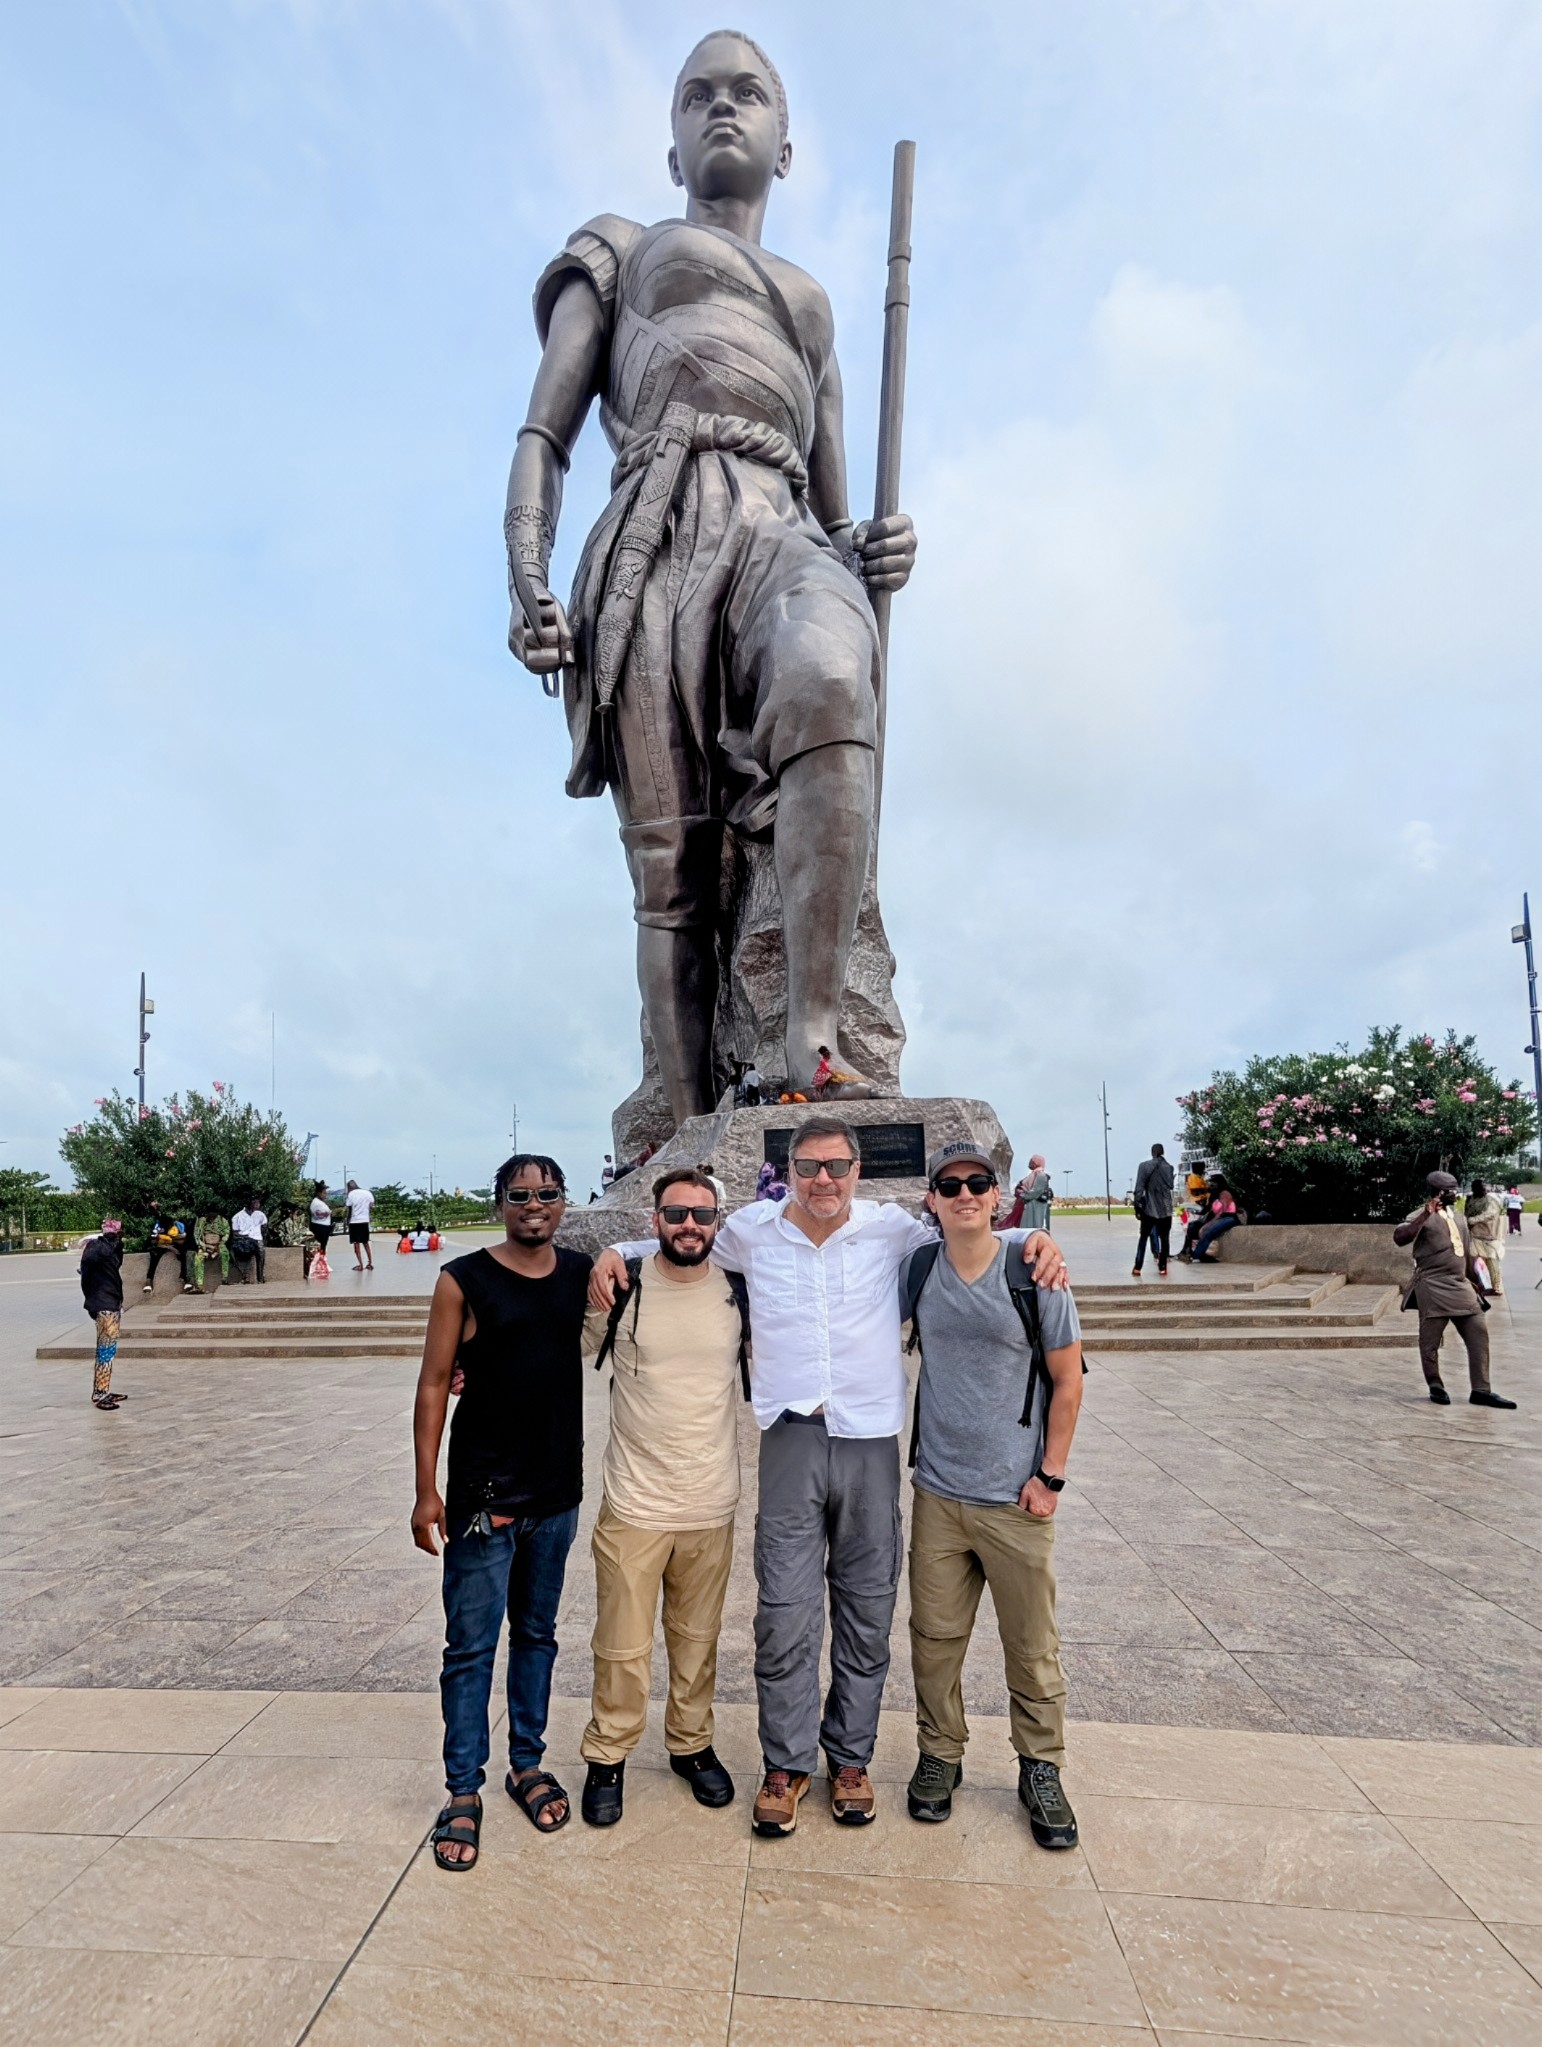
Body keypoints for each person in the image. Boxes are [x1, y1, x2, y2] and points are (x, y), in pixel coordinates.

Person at [506, 32, 917, 1121]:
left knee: (834, 677)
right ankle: (686, 1129)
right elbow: (543, 434)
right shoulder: (622, 251)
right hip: (655, 534)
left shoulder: (814, 307)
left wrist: (874, 545)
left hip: (780, 530)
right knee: (672, 869)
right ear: (673, 140)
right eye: (698, 97)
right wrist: (527, 578)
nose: (722, 109)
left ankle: (814, 1038)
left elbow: (836, 511)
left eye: (748, 95)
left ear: (787, 146)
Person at [590, 1114, 1067, 1837]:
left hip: (872, 1442)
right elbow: (682, 1233)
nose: (823, 1180)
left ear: (857, 1171)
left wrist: (1030, 1238)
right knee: (784, 1612)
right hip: (792, 1441)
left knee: (867, 1610)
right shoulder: (752, 1231)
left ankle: (849, 1756)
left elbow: (967, 1232)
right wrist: (614, 1250)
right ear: (788, 1166)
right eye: (810, 1166)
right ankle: (784, 1764)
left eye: (837, 1167)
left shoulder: (891, 1232)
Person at [901, 1140, 1085, 1849]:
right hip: (939, 1493)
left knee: (1031, 1643)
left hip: (1015, 1495)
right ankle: (940, 1754)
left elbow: (1069, 1379)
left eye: (979, 1182)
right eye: (951, 1185)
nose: (965, 1193)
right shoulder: (920, 1265)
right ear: (933, 1198)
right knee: (935, 1639)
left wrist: (1051, 1477)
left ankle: (1040, 1765)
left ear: (999, 1191)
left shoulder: (1032, 1269)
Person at [411, 1154, 592, 1870]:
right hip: (486, 1499)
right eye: (519, 1195)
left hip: (557, 1493)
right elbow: (433, 1383)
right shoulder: (464, 1279)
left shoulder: (581, 1272)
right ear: (499, 1204)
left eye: (548, 1193)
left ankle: (526, 1761)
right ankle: (462, 1789)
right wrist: (426, 1489)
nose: (534, 1205)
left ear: (564, 1202)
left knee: (539, 1634)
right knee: (471, 1648)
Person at [577, 1168, 745, 1826]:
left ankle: (691, 1744)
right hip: (635, 1503)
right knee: (620, 1643)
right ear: (654, 1219)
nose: (689, 1226)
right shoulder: (621, 1286)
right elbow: (570, 1348)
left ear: (717, 1224)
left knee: (697, 1638)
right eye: (676, 1213)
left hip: (711, 1502)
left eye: (702, 1215)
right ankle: (608, 1755)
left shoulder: (738, 1288)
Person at [1393, 1172, 1515, 1408]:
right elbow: (1400, 1237)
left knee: (1478, 1333)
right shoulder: (1419, 1215)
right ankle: (1435, 1385)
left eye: (1455, 1189)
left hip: (1461, 1285)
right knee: (1430, 1342)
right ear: (1437, 1192)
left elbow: (1467, 1251)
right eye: (1450, 1190)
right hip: (1432, 1285)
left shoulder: (1458, 1217)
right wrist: (1426, 1214)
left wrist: (1474, 1280)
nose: (1455, 1193)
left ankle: (1481, 1390)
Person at [80, 1218, 126, 1410]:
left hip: (98, 1303)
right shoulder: (108, 1251)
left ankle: (103, 1389)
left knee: (105, 1350)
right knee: (106, 1350)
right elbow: (115, 1260)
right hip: (107, 1305)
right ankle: (100, 1393)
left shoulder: (92, 1249)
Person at [1131, 1143, 1174, 1277]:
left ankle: (1138, 1267)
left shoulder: (1143, 1166)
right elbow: (1171, 1186)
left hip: (1149, 1207)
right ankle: (1163, 1267)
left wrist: (1137, 1205)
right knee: (1165, 1238)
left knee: (1143, 1237)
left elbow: (1139, 1188)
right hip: (1166, 1208)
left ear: (1152, 1152)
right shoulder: (1169, 1168)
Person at [1465, 1179, 1506, 1295]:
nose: (1483, 1189)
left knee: (1492, 1262)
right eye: (1479, 1187)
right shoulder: (1470, 1199)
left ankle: (1496, 1288)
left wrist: (1473, 1220)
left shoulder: (1491, 1200)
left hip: (1490, 1237)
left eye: (1484, 1187)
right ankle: (1479, 1285)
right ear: (1474, 1189)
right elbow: (1466, 1214)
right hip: (1475, 1236)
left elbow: (1490, 1214)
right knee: (1474, 1262)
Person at [144, 1206, 194, 1294]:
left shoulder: (178, 1225)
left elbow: (183, 1238)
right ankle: (149, 1280)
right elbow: (153, 1239)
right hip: (162, 1244)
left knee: (183, 1254)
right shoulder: (158, 1226)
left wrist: (172, 1240)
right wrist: (167, 1245)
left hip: (175, 1243)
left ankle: (186, 1279)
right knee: (154, 1255)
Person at [1191, 1180, 1240, 1262]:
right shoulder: (1214, 1196)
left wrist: (1208, 1225)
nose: (1210, 1185)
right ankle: (1195, 1253)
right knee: (1193, 1227)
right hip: (1221, 1218)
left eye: (1213, 1183)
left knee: (1208, 1233)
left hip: (1229, 1217)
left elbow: (1222, 1212)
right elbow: (1208, 1211)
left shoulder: (1225, 1193)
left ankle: (1195, 1255)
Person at [229, 1197, 267, 1284]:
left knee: (261, 1251)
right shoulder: (237, 1217)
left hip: (257, 1239)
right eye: (255, 1202)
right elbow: (235, 1233)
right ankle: (243, 1275)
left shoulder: (260, 1215)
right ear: (250, 1203)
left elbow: (264, 1228)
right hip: (243, 1239)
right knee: (234, 1251)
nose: (258, 1205)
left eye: (258, 1202)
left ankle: (260, 1278)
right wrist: (245, 1237)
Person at [192, 1212, 229, 1290]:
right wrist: (202, 1244)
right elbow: (197, 1235)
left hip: (218, 1244)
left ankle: (224, 1277)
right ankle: (199, 1283)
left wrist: (220, 1243)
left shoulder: (222, 1220)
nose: (211, 1217)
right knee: (198, 1258)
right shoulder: (202, 1220)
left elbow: (226, 1233)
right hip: (205, 1244)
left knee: (225, 1253)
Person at [344, 1180, 375, 1271]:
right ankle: (370, 1263)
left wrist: (347, 1220)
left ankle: (360, 1265)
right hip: (365, 1220)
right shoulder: (368, 1193)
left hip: (354, 1221)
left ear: (349, 1187)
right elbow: (371, 1205)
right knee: (366, 1242)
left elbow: (349, 1210)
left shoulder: (351, 1195)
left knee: (356, 1244)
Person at [308, 1181, 335, 1260]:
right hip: (320, 1227)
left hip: (323, 1226)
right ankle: (320, 1261)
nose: (325, 1195)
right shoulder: (316, 1203)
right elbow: (318, 1214)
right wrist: (328, 1213)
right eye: (324, 1193)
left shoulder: (320, 1202)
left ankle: (322, 1260)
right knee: (321, 1246)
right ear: (319, 1193)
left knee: (323, 1246)